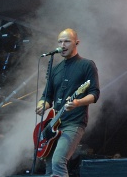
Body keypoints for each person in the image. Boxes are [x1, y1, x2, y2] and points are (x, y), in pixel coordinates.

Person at [35, 28, 100, 177]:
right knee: (50, 167)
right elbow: (47, 96)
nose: (62, 45)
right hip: (54, 123)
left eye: (67, 41)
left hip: (74, 122)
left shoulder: (87, 65)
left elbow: (94, 94)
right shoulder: (55, 69)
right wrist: (42, 105)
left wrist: (77, 102)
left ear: (76, 43)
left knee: (58, 161)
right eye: (60, 42)